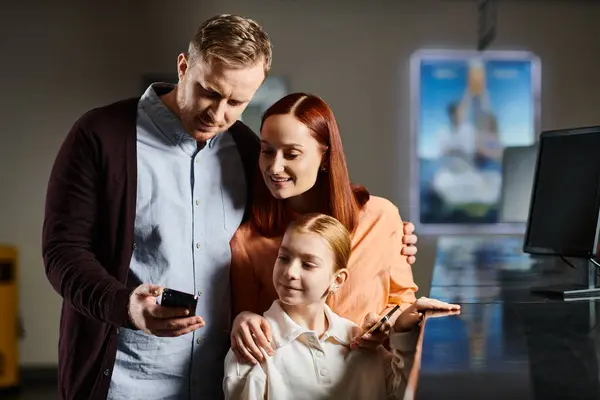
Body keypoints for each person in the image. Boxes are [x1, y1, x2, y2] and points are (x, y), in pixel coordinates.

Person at [42, 14, 419, 400]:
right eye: (209, 91)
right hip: (124, 380)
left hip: (219, 381)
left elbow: (300, 200)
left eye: (237, 102)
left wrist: (385, 227)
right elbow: (62, 252)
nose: (218, 114)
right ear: (183, 66)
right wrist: (125, 306)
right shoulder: (100, 136)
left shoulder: (243, 148)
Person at [229, 93, 419, 364]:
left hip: (370, 381)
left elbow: (403, 300)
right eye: (267, 151)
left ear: (326, 157)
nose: (275, 166)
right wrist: (243, 320)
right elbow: (246, 318)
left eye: (292, 154)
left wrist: (386, 324)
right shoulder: (248, 240)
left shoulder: (381, 217)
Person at [223, 213, 459, 399]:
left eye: (308, 264)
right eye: (284, 258)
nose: (290, 272)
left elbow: (402, 393)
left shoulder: (362, 342)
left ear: (337, 280)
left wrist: (405, 332)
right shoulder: (253, 346)